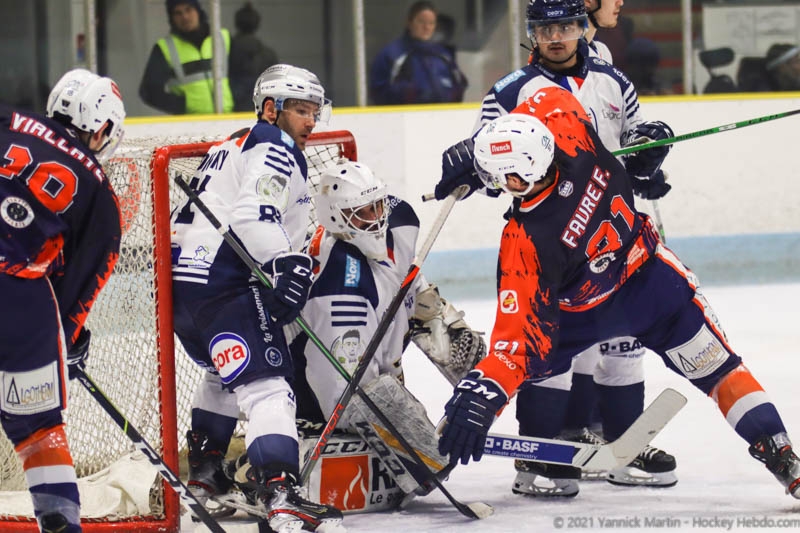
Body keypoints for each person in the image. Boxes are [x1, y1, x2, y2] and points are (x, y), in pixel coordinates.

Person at [434, 84, 800, 502]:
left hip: (581, 314)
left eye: (503, 176)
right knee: (720, 371)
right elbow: (550, 97)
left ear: (522, 176)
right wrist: (489, 146)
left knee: (538, 359)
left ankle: (540, 464)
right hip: (650, 286)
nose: (497, 183)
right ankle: (783, 454)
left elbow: (515, 346)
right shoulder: (569, 130)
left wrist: (484, 394)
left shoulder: (524, 240)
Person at [471, 0, 676, 495]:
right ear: (533, 36)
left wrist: (647, 162)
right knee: (551, 349)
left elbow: (629, 143)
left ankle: (622, 445)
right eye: (544, 30)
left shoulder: (614, 82)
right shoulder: (509, 93)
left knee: (622, 343)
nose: (556, 37)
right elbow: (485, 163)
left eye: (565, 27)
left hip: (612, 232)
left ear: (582, 29)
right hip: (551, 241)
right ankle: (540, 456)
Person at [169, 64, 343, 532]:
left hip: (183, 292)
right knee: (268, 388)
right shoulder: (274, 143)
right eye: (301, 111)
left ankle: (205, 475)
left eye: (314, 111)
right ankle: (282, 495)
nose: (310, 122)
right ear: (271, 109)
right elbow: (253, 215)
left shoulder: (232, 144)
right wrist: (286, 265)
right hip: (224, 285)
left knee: (224, 374)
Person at [0, 68, 126, 533]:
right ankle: (60, 524)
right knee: (38, 431)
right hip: (21, 301)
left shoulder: (8, 119)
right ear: (103, 126)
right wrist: (65, 339)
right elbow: (81, 286)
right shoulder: (100, 195)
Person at [139, 0, 234, 114]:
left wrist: (238, 102)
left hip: (229, 117)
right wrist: (182, 106)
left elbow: (246, 76)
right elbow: (149, 91)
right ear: (172, 18)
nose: (185, 17)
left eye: (188, 9)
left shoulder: (223, 38)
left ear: (198, 11)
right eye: (178, 13)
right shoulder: (165, 48)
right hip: (191, 125)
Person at [369, 1, 468, 105]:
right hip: (403, 118)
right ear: (409, 22)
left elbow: (459, 86)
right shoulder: (391, 54)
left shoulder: (444, 55)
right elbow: (377, 92)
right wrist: (404, 93)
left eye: (431, 23)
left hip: (442, 117)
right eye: (421, 21)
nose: (427, 27)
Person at [230, 1, 279, 112]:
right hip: (261, 108)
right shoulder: (268, 54)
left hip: (234, 109)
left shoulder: (228, 51)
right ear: (257, 24)